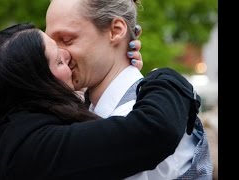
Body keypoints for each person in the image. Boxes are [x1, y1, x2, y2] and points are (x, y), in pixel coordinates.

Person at [0, 23, 200, 179]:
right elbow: (153, 131)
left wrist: (107, 70)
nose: (68, 55)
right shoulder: (27, 148)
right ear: (34, 85)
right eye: (58, 60)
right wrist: (165, 77)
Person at [45, 0, 213, 179]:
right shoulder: (98, 108)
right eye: (52, 44)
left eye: (67, 40)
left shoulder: (140, 120)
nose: (58, 54)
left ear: (116, 30)